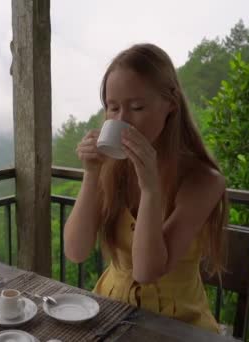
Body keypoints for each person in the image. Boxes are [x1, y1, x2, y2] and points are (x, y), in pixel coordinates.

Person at [63, 43, 228, 333]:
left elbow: (146, 271)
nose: (121, 120)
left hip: (176, 325)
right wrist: (91, 174)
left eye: (137, 107)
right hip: (110, 311)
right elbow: (75, 251)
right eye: (112, 108)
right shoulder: (114, 167)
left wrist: (151, 189)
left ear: (171, 105)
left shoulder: (204, 180)